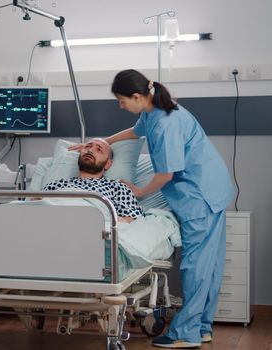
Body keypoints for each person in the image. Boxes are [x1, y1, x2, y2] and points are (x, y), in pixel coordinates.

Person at [72, 69, 234, 348]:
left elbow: (166, 175)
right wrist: (105, 141)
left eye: (121, 101)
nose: (119, 105)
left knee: (196, 267)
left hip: (200, 197)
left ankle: (187, 333)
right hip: (212, 188)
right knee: (210, 264)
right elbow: (135, 132)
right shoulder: (154, 110)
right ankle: (202, 327)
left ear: (136, 96)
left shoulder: (165, 123)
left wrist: (140, 191)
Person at [42, 138, 144, 223]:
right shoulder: (57, 185)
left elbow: (129, 218)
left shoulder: (117, 187)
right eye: (87, 147)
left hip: (92, 228)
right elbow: (36, 207)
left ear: (108, 164)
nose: (90, 150)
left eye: (99, 150)